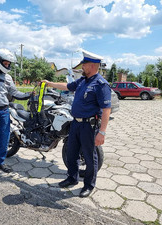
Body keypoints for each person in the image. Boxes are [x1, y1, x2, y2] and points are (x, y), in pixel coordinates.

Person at [42, 50, 111, 197]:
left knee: (90, 156)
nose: (82, 68)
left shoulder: (100, 84)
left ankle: (89, 185)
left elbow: (106, 109)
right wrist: (50, 84)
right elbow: (67, 86)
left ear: (91, 66)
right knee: (71, 153)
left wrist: (102, 132)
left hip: (89, 126)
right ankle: (72, 178)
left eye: (84, 65)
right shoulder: (82, 81)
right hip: (76, 124)